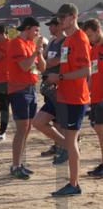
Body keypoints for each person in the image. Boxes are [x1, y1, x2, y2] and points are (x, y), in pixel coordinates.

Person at [44, 4, 91, 196]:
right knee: (39, 122)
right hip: (63, 94)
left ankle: (74, 184)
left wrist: (60, 77)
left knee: (71, 142)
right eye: (59, 18)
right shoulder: (67, 40)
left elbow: (86, 71)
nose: (60, 21)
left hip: (75, 98)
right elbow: (67, 67)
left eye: (62, 18)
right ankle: (68, 149)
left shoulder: (80, 39)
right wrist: (57, 81)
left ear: (73, 17)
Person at [7, 16, 45, 179]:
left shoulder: (30, 44)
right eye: (36, 30)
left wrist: (39, 52)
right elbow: (24, 66)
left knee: (27, 128)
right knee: (22, 128)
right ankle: (15, 165)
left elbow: (41, 68)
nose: (37, 33)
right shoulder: (16, 43)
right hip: (19, 89)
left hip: (30, 88)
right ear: (28, 28)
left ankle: (19, 163)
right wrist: (36, 51)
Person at [32, 17, 67, 162]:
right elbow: (43, 59)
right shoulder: (52, 41)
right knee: (54, 119)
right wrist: (40, 54)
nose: (49, 28)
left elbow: (58, 60)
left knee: (60, 119)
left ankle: (65, 146)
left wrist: (45, 63)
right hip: (49, 86)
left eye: (51, 25)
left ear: (58, 26)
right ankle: (58, 145)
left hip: (59, 86)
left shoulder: (65, 41)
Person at [84, 18, 103, 178]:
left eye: (90, 35)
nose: (89, 39)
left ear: (98, 31)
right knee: (98, 129)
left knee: (100, 129)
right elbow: (92, 75)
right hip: (96, 96)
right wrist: (86, 92)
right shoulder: (94, 49)